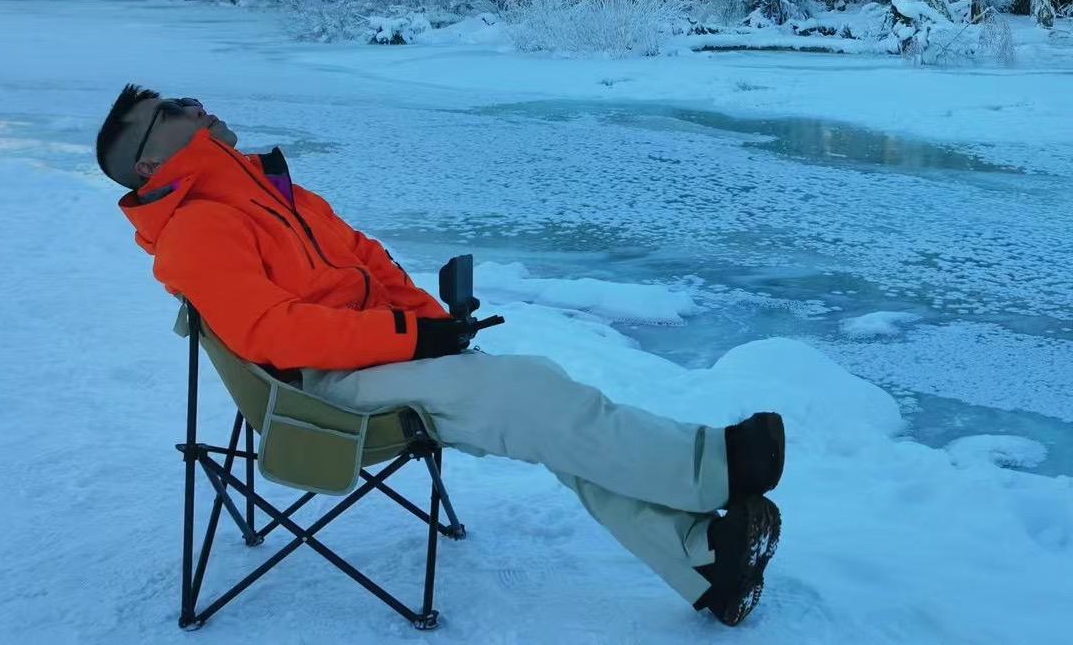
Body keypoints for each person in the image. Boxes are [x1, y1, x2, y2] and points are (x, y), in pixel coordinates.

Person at [97, 84, 785, 627]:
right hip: (320, 391)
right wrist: (411, 341)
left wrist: (432, 326)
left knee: (535, 398)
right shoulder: (197, 227)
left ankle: (706, 561)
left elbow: (366, 259)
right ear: (152, 164)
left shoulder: (267, 191)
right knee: (525, 395)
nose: (193, 105)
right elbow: (273, 333)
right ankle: (715, 470)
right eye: (169, 111)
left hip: (367, 358)